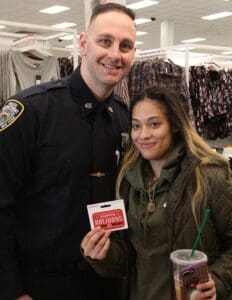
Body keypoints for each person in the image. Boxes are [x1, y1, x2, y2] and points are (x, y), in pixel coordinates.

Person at [0, 3, 136, 300]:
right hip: (41, 285)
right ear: (83, 43)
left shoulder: (126, 119)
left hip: (108, 282)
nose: (115, 54)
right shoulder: (31, 112)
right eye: (105, 41)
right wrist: (10, 290)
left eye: (126, 46)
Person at [81, 86, 232, 300]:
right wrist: (101, 255)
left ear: (175, 126)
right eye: (136, 126)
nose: (143, 135)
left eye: (154, 124)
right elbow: (125, 261)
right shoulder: (127, 180)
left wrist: (217, 281)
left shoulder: (207, 176)